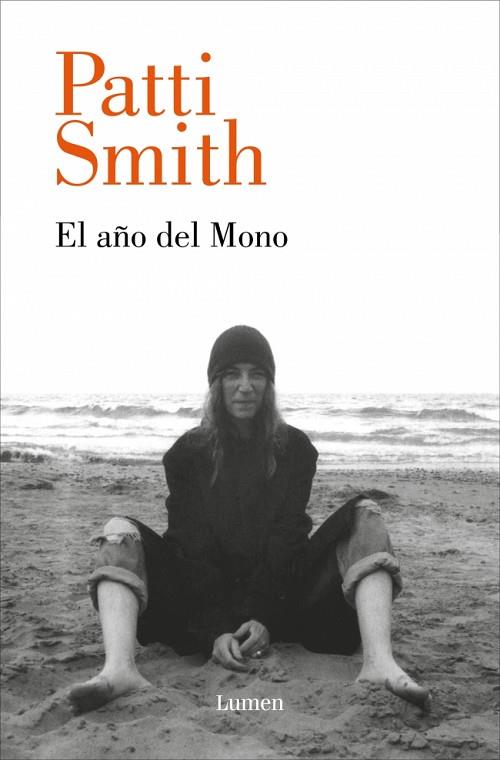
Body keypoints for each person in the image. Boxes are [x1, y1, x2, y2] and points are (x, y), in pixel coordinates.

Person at [68, 325, 431, 714]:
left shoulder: (296, 449)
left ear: (269, 384)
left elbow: (287, 540)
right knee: (118, 531)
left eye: (257, 374)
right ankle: (119, 669)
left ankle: (379, 663)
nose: (245, 386)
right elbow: (192, 545)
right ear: (216, 385)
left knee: (365, 513)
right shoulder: (186, 454)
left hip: (284, 602)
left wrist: (264, 618)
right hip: (198, 608)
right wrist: (215, 630)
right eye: (232, 374)